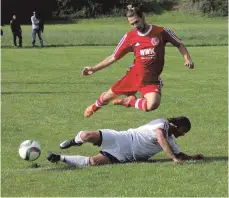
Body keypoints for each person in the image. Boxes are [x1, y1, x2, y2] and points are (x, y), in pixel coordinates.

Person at [82, 5, 195, 118]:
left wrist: (187, 58)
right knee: (108, 96)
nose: (135, 26)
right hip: (134, 75)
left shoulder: (160, 31)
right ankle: (94, 107)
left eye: (137, 22)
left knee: (153, 104)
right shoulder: (129, 37)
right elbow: (113, 57)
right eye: (132, 24)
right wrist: (93, 68)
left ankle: (129, 101)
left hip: (151, 79)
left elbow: (178, 44)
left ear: (142, 17)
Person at [47, 116, 204, 167]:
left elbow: (179, 153)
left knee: (93, 162)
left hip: (125, 154)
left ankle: (59, 158)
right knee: (87, 135)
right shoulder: (162, 124)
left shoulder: (171, 140)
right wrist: (174, 158)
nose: (183, 135)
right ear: (175, 126)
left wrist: (192, 157)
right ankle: (74, 141)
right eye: (183, 132)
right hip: (123, 137)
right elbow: (161, 138)